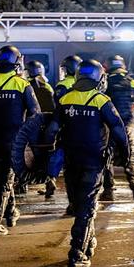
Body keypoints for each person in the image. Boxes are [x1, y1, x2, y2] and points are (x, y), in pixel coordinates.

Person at [46, 59, 129, 267]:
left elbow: (52, 129)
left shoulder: (66, 98)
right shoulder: (101, 100)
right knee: (87, 208)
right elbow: (118, 129)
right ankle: (77, 253)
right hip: (94, 162)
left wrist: (45, 155)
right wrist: (126, 156)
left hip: (71, 163)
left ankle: (87, 242)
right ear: (99, 78)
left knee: (80, 205)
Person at [0, 45, 40, 237]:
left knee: (5, 176)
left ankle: (11, 212)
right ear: (17, 62)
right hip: (14, 142)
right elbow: (35, 114)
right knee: (4, 181)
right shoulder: (23, 85)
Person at [101, 55, 134, 202]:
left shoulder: (105, 82)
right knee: (130, 157)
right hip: (129, 125)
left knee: (108, 158)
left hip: (111, 126)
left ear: (108, 66)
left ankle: (108, 191)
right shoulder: (132, 82)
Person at [24, 60, 57, 197]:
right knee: (46, 154)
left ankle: (22, 184)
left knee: (27, 155)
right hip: (48, 125)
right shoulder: (48, 86)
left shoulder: (26, 86)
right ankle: (50, 181)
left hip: (32, 125)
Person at [54, 55, 82, 213]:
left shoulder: (62, 86)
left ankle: (73, 204)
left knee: (70, 171)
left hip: (67, 133)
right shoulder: (89, 86)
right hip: (86, 133)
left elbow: (57, 109)